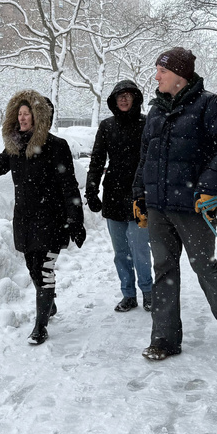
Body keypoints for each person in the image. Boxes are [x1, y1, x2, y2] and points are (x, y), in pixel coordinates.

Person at [132, 47, 217, 361]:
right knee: (164, 270)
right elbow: (146, 157)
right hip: (158, 207)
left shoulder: (211, 106)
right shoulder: (155, 111)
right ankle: (164, 339)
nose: (156, 77)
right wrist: (139, 195)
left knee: (203, 264)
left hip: (194, 205)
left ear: (180, 76)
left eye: (162, 71)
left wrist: (209, 187)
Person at [0, 90, 85, 346]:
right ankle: (49, 304)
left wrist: (76, 220)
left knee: (45, 271)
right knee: (33, 268)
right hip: (25, 219)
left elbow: (69, 185)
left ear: (38, 117)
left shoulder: (57, 146)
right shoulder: (15, 147)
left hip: (52, 219)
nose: (22, 118)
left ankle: (40, 325)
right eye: (19, 114)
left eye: (27, 114)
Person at [85, 80, 153, 313]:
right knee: (121, 252)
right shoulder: (106, 126)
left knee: (140, 249)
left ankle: (148, 292)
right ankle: (128, 294)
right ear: (114, 101)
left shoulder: (147, 124)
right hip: (113, 194)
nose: (123, 99)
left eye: (127, 95)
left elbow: (155, 159)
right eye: (119, 96)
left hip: (139, 196)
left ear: (135, 98)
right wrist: (91, 191)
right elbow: (96, 160)